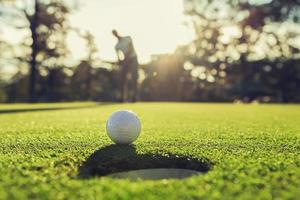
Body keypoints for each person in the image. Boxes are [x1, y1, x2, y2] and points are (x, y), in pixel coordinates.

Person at [112, 29, 139, 102]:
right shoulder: (117, 46)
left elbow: (131, 48)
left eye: (115, 33)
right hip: (125, 61)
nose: (115, 35)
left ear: (117, 32)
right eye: (114, 34)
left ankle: (134, 97)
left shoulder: (127, 38)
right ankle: (122, 97)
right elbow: (119, 57)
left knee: (134, 77)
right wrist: (120, 62)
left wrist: (126, 58)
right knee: (122, 78)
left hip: (133, 59)